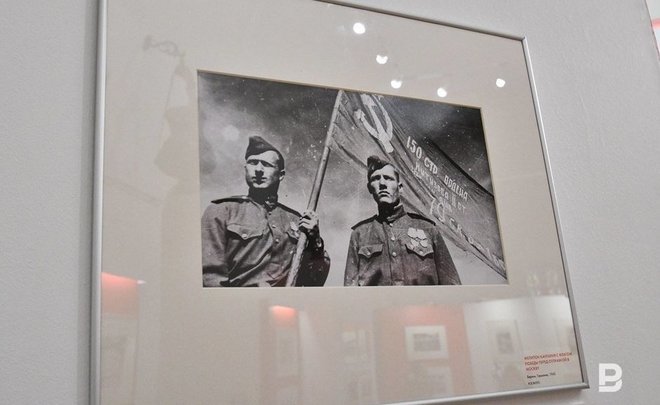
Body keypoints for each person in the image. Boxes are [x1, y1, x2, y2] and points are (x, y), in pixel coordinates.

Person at [201, 136, 330, 287]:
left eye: (266, 165)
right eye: (253, 163)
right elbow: (211, 277)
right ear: (245, 169)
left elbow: (314, 281)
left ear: (281, 175)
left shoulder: (296, 220)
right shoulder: (222, 211)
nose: (258, 170)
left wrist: (315, 242)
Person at [344, 156, 461, 286]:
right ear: (370, 188)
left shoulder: (428, 229)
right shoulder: (359, 234)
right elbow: (350, 290)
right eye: (375, 179)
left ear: (400, 188)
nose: (382, 183)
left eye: (388, 178)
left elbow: (452, 286)